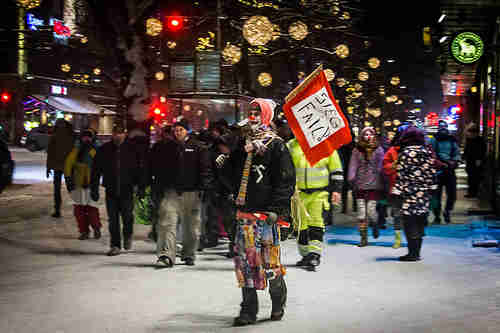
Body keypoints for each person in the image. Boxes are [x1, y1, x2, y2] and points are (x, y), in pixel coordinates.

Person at [223, 98, 295, 326]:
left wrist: (277, 210)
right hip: (245, 215)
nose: (252, 115)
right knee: (245, 263)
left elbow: (285, 180)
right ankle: (248, 310)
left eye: (257, 111)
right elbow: (232, 176)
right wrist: (225, 164)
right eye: (250, 111)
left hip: (266, 217)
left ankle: (278, 300)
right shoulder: (242, 144)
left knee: (270, 264)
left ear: (266, 115)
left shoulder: (276, 145)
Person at [149, 118, 214, 267]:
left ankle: (189, 253)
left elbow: (205, 169)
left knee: (191, 227)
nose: (178, 132)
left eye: (181, 130)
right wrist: (157, 187)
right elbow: (159, 169)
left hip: (192, 192)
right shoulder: (166, 147)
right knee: (166, 223)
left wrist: (205, 188)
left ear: (187, 131)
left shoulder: (198, 147)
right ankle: (166, 255)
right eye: (176, 130)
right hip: (171, 191)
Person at [287, 138, 343, 271]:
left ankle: (314, 255)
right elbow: (284, 167)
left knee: (316, 223)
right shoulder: (291, 145)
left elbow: (336, 169)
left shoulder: (326, 145)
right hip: (298, 194)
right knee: (300, 225)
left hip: (319, 193)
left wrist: (337, 190)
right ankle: (305, 254)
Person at [91, 124, 147, 256]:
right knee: (113, 219)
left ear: (125, 134)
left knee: (127, 216)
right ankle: (115, 245)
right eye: (115, 133)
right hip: (111, 189)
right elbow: (96, 170)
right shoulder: (104, 149)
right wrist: (94, 188)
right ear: (112, 134)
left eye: (120, 133)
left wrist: (141, 187)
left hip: (127, 189)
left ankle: (128, 235)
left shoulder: (133, 149)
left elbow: (141, 169)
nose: (118, 136)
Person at [392, 126, 437, 261]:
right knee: (420, 222)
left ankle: (412, 253)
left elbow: (401, 175)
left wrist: (397, 192)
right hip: (423, 194)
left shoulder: (404, 153)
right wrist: (432, 188)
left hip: (408, 195)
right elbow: (432, 172)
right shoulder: (427, 152)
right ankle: (417, 252)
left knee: (409, 223)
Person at [347, 127, 385, 247]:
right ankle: (363, 238)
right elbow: (353, 164)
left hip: (374, 184)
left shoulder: (378, 150)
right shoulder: (357, 150)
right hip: (360, 184)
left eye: (370, 134)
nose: (368, 136)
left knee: (371, 210)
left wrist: (382, 178)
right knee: (361, 213)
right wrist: (351, 176)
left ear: (374, 136)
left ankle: (375, 224)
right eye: (365, 134)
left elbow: (381, 165)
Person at [64, 130, 101, 240]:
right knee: (79, 210)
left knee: (92, 208)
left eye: (89, 137)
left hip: (91, 184)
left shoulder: (95, 150)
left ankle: (96, 228)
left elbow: (99, 165)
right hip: (78, 184)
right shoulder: (76, 150)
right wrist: (69, 180)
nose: (86, 139)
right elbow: (68, 165)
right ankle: (84, 231)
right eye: (84, 137)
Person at [382, 125, 409, 249]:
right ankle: (398, 239)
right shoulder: (392, 151)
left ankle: (412, 237)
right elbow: (385, 167)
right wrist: (394, 165)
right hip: (396, 186)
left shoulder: (416, 149)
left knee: (409, 214)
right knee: (397, 213)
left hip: (411, 188)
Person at [429, 120, 460, 224]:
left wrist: (454, 162)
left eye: (444, 127)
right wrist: (441, 163)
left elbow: (456, 153)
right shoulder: (434, 140)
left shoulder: (451, 140)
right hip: (438, 170)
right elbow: (431, 154)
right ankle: (437, 215)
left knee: (451, 194)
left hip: (448, 170)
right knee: (436, 195)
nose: (443, 129)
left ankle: (446, 211)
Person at [46, 119, 74, 218]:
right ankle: (78, 207)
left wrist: (48, 167)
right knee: (69, 187)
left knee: (62, 188)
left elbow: (50, 153)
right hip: (64, 166)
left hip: (63, 166)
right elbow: (50, 153)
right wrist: (48, 167)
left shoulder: (57, 136)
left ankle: (58, 209)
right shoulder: (70, 135)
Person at [463, 124, 486, 198]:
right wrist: (464, 157)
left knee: (475, 178)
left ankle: (474, 193)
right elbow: (466, 150)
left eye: (471, 132)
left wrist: (479, 159)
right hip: (470, 161)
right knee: (471, 178)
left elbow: (482, 151)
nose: (470, 134)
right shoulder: (469, 140)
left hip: (476, 162)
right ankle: (471, 192)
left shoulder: (480, 140)